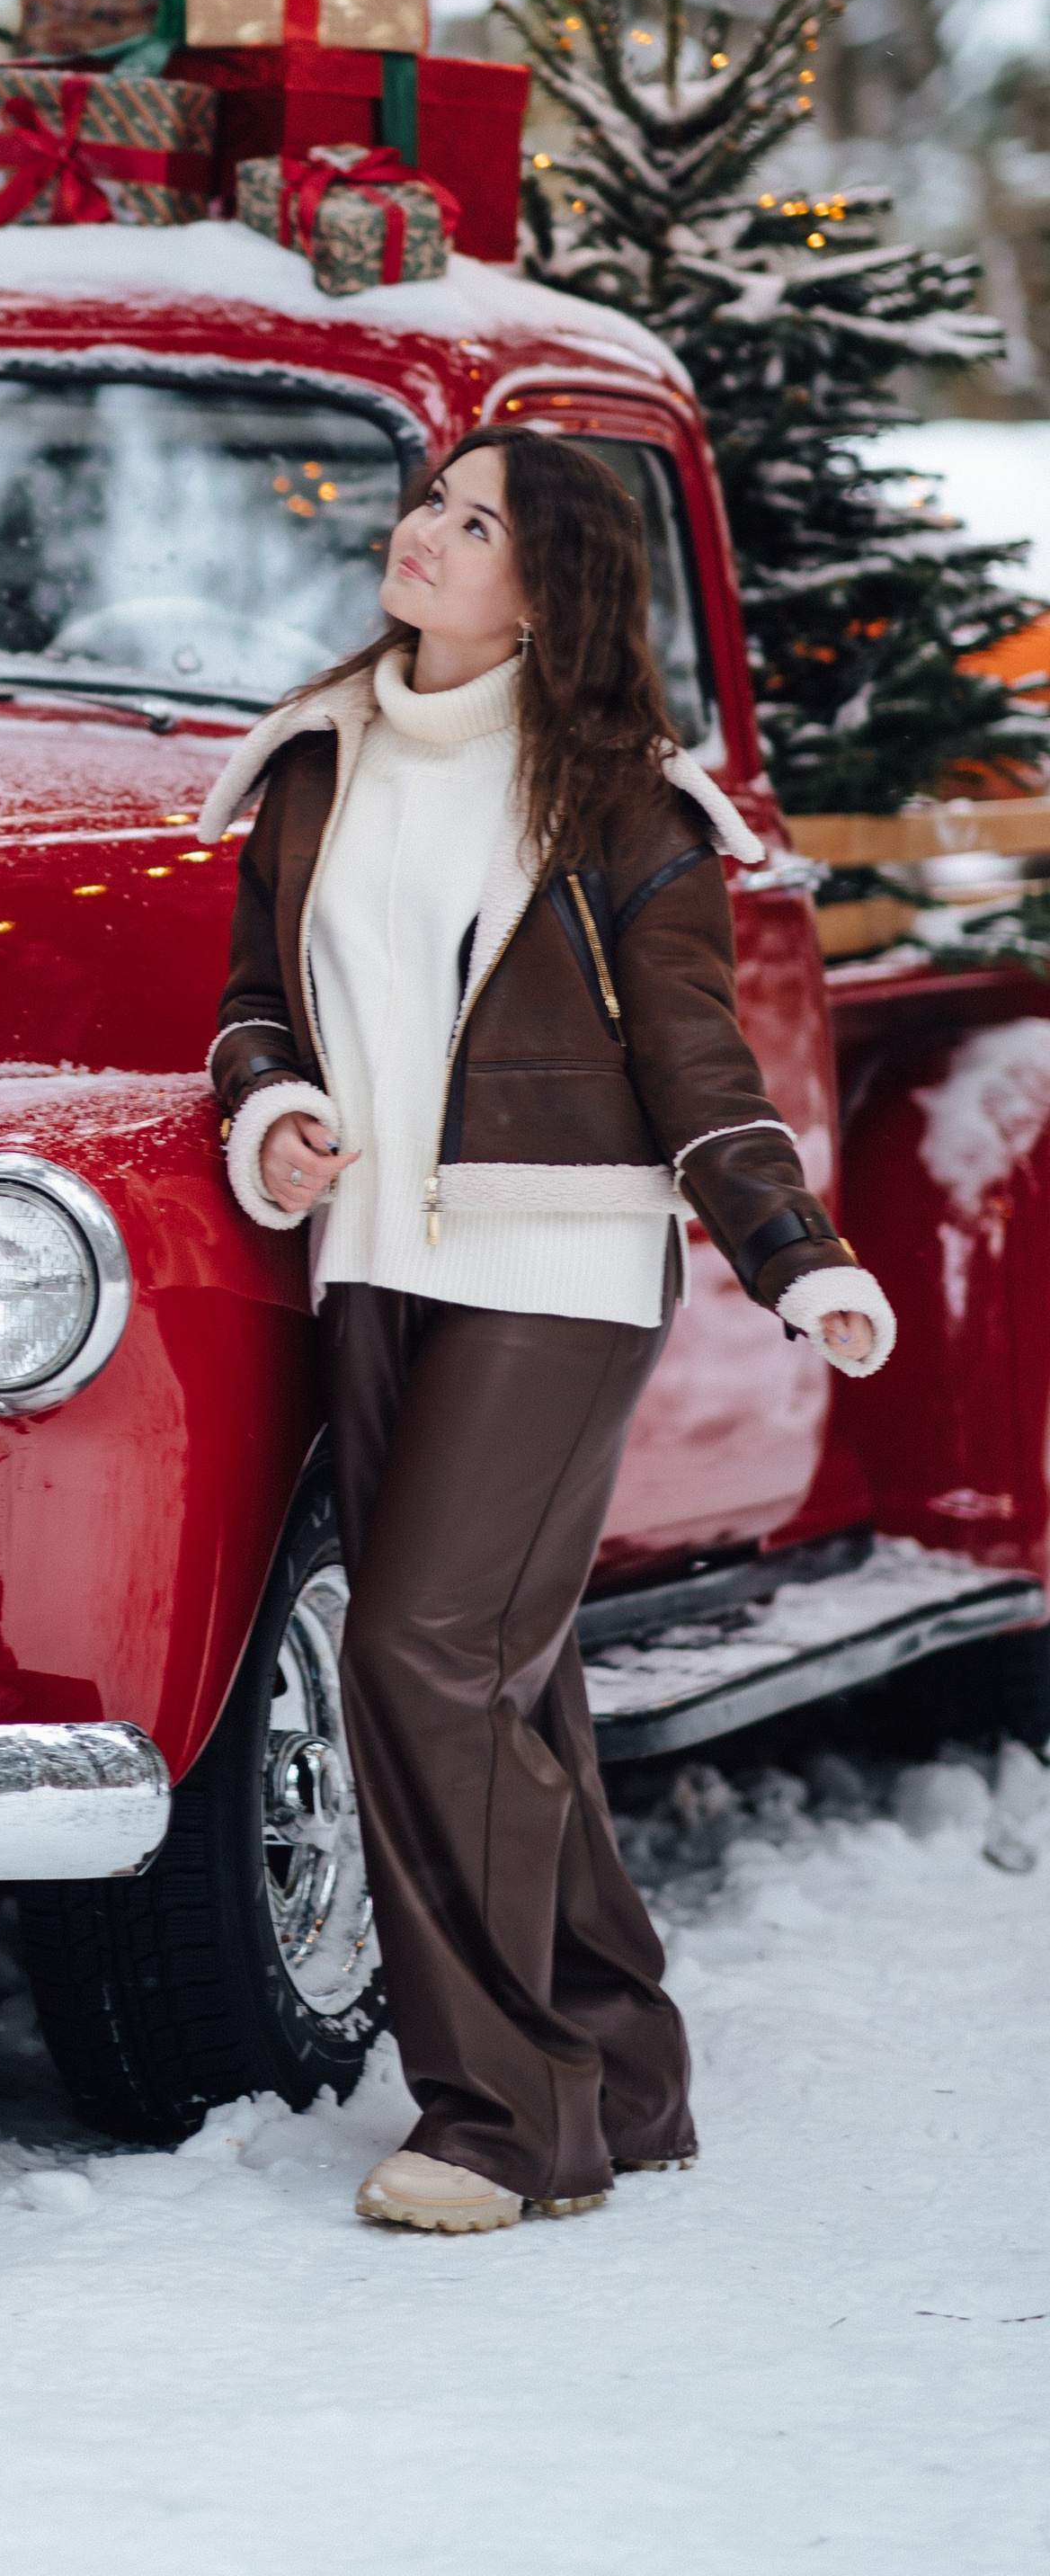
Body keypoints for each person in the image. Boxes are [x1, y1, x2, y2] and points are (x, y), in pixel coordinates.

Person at [200, 425, 894, 2235]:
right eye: (429, 499)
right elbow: (254, 1006)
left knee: (415, 1655)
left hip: (554, 1271)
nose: (422, 530)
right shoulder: (313, 761)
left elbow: (694, 1066)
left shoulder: (617, 804)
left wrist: (792, 1250)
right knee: (502, 1675)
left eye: (473, 518)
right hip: (362, 1255)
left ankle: (507, 2121)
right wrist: (265, 1113)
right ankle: (625, 2065)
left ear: (550, 582)